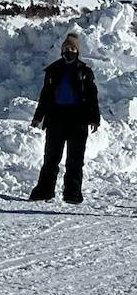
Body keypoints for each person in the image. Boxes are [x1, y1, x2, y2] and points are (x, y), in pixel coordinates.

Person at [29, 33, 101, 204]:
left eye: (73, 48)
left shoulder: (85, 71)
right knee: (51, 157)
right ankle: (44, 191)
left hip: (78, 119)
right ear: (62, 50)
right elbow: (45, 96)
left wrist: (94, 118)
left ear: (78, 51)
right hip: (56, 118)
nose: (69, 51)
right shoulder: (53, 70)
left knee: (75, 159)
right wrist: (38, 117)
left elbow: (92, 96)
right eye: (66, 49)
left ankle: (72, 194)